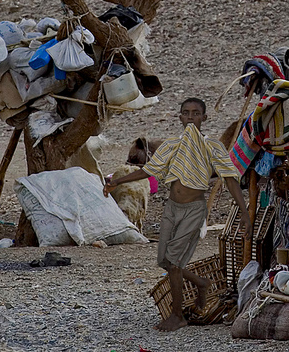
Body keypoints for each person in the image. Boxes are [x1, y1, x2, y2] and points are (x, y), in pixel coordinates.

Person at [104, 97, 246, 331]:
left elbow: (230, 181)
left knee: (176, 263)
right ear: (180, 117)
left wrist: (245, 215)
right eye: (186, 113)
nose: (190, 117)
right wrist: (116, 181)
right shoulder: (170, 146)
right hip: (172, 208)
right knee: (165, 261)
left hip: (193, 209)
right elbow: (148, 171)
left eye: (196, 113)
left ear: (205, 118)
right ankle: (201, 283)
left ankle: (177, 315)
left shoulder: (212, 147)